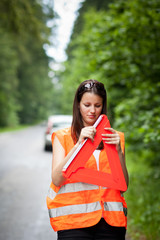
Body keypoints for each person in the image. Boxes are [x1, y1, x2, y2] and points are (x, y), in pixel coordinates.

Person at [47, 79, 129, 240]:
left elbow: (123, 185)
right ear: (78, 104)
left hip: (111, 223)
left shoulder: (115, 138)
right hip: (73, 223)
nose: (92, 111)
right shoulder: (62, 137)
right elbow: (57, 179)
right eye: (87, 105)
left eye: (97, 106)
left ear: (103, 106)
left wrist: (118, 150)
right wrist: (78, 145)